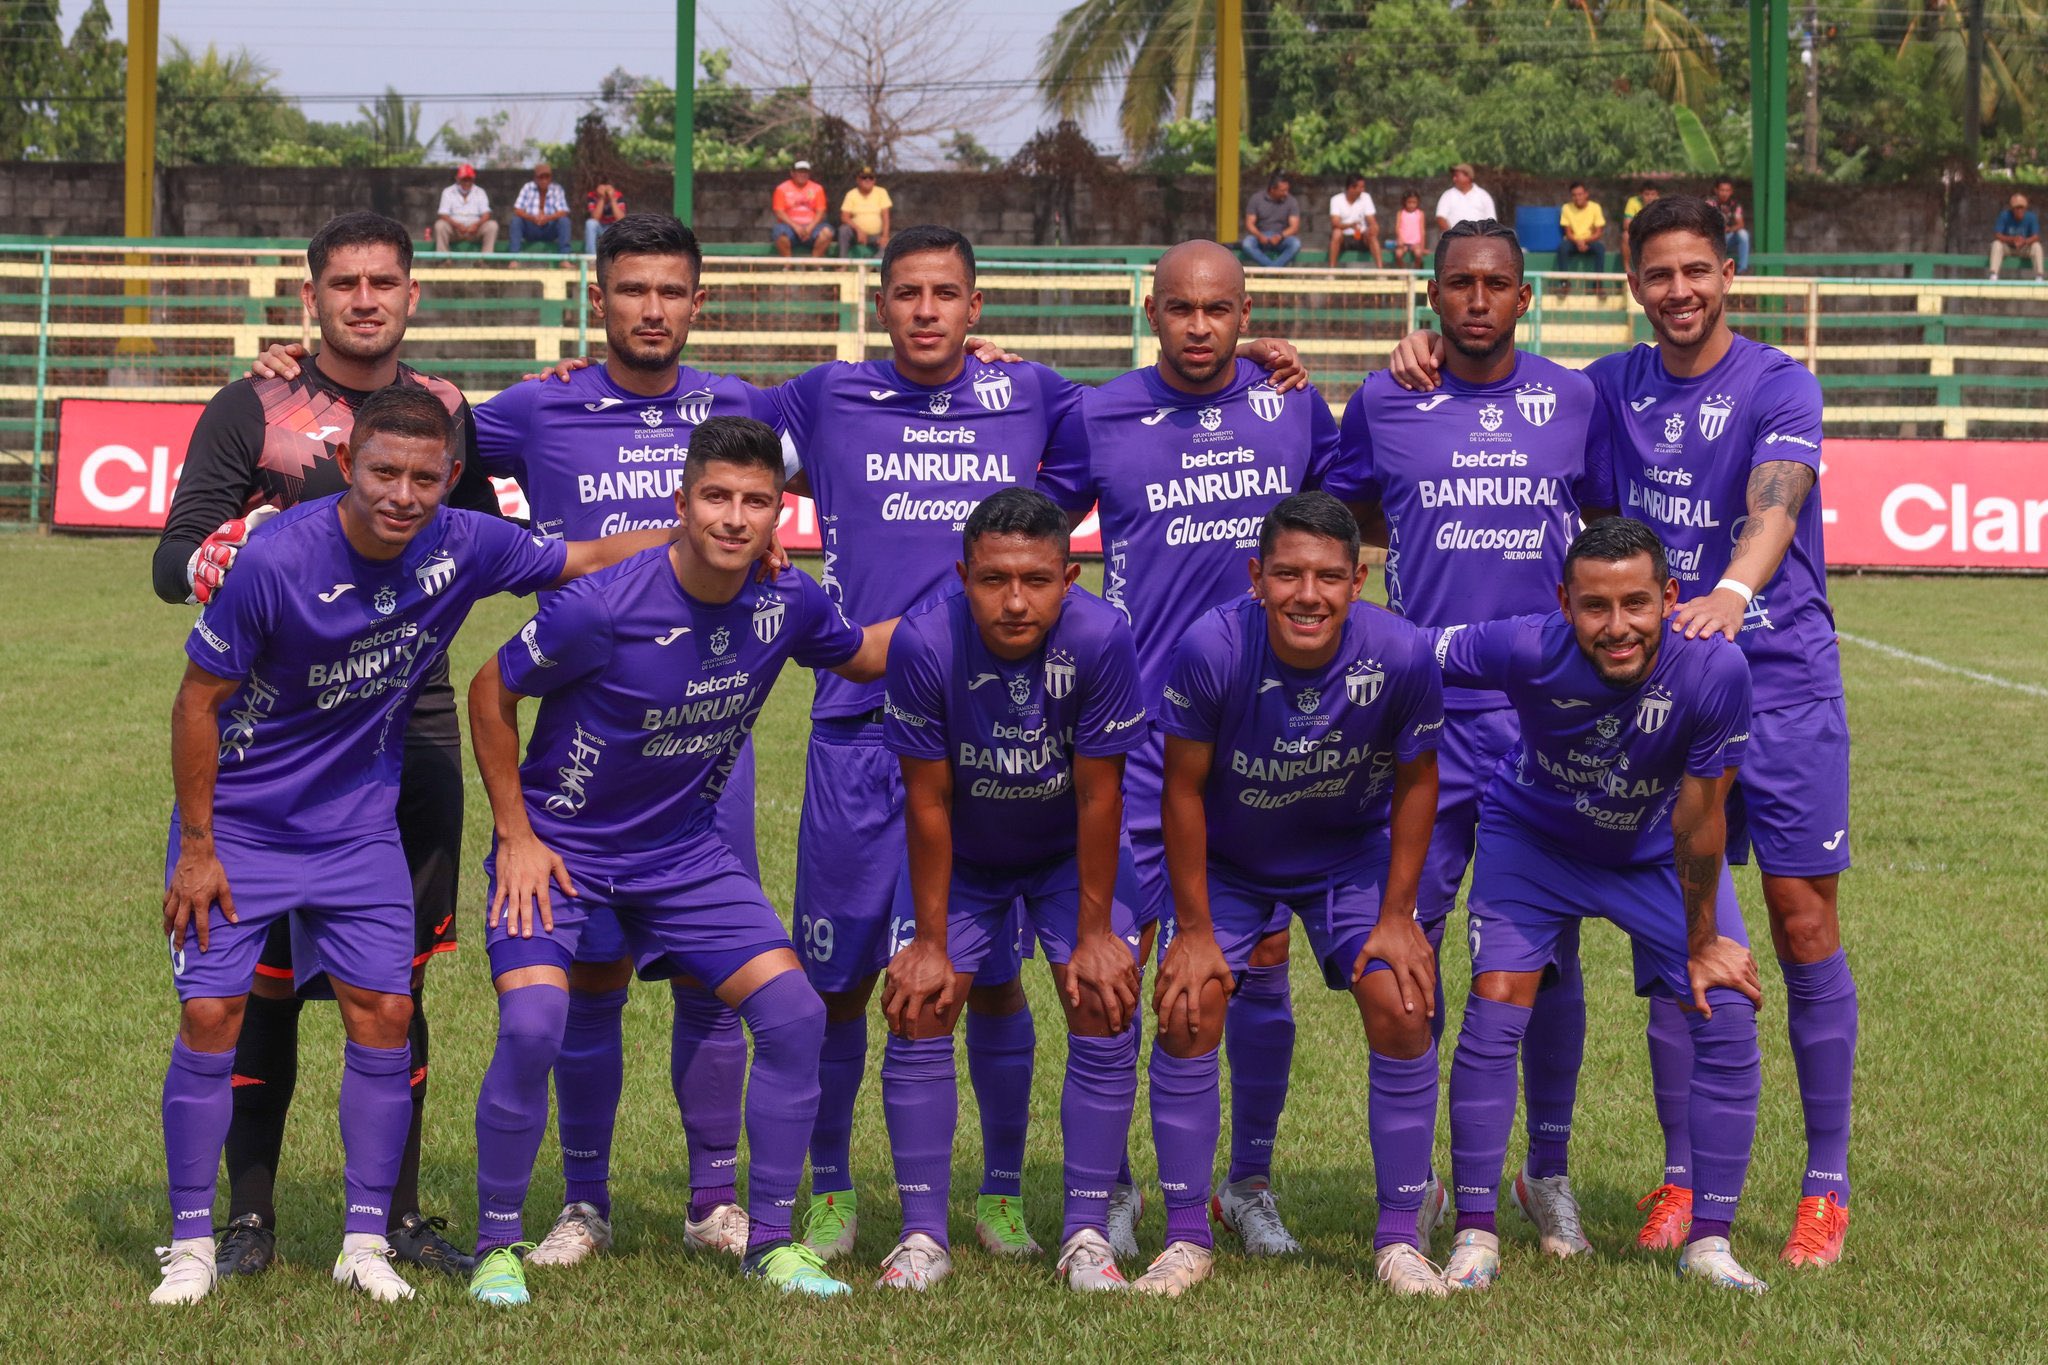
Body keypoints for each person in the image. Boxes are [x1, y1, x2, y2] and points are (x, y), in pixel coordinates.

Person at [771, 225, 1305, 1264]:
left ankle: (1012, 1192)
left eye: (946, 295)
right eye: (907, 294)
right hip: (858, 725)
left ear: (977, 310)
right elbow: (700, 444)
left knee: (998, 972)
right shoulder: (823, 395)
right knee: (843, 976)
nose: (925, 311)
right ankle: (833, 1189)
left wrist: (1263, 358)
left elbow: (1177, 404)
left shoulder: (1045, 397)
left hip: (1013, 726)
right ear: (879, 305)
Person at [1388, 194, 1859, 1270]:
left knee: (1793, 923)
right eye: (1658, 275)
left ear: (1726, 273)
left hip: (1775, 677)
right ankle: (1682, 1177)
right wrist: (1419, 358)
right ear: (1631, 285)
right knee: (1670, 931)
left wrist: (1733, 594)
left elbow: (1773, 499)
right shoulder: (1604, 389)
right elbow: (1507, 414)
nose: (1680, 291)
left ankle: (1822, 1186)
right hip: (1644, 695)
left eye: (1697, 271)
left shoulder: (1778, 381)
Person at [150, 384, 666, 1306]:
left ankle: (363, 1240)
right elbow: (198, 700)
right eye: (383, 471)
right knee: (210, 1018)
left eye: (425, 477)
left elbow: (576, 558)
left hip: (357, 828)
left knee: (384, 1014)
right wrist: (197, 846)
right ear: (347, 465)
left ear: (452, 478)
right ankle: (190, 1242)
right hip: (244, 827)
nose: (402, 493)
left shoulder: (465, 542)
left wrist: (699, 539)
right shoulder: (276, 557)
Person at [462, 416, 894, 1306]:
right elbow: (489, 688)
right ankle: (496, 1243)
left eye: (756, 501)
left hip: (681, 854)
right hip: (563, 852)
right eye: (716, 498)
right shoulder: (601, 607)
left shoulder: (788, 601)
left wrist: (980, 611)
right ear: (681, 504)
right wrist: (515, 832)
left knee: (793, 1015)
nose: (735, 518)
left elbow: (860, 654)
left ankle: (769, 1239)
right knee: (537, 1024)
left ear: (781, 513)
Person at [153, 211, 505, 1284]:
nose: (365, 298)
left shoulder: (446, 412)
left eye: (383, 281)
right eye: (344, 281)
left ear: (413, 296)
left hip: (412, 731)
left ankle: (386, 1224)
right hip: (279, 744)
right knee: (252, 984)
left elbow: (482, 531)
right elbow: (174, 563)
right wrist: (270, 538)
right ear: (312, 298)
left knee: (396, 986)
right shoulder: (253, 405)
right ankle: (248, 1218)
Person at [1038, 239, 1343, 1262]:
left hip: (1263, 740)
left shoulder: (1286, 402)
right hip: (1133, 732)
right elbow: (1033, 534)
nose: (1200, 327)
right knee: (1110, 969)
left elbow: (1355, 505)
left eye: (1218, 310)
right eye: (1180, 309)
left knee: (1255, 969)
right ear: (1150, 312)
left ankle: (1243, 1186)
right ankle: (1108, 1186)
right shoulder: (1097, 414)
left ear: (1245, 311)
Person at [1330, 218, 1616, 1264]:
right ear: (1430, 295)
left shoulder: (1572, 398)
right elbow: (1340, 503)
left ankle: (1546, 1170)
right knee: (1406, 935)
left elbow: (1604, 527)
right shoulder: (1384, 396)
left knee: (1547, 949)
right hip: (1420, 719)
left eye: (1497, 282)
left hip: (1542, 721)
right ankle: (1437, 1173)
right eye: (1459, 284)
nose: (1478, 299)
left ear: (1524, 294)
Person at [1435, 518, 1768, 1295]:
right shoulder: (1523, 644)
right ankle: (1476, 1231)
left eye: (1636, 603)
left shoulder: (1716, 670)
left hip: (1652, 846)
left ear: (1670, 597)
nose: (1617, 626)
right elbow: (1418, 649)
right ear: (1564, 603)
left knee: (1723, 999)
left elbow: (1700, 814)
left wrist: (1702, 939)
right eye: (1594, 606)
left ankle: (1710, 1243)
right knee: (1496, 1002)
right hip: (1534, 838)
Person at [1140, 492, 1444, 1298]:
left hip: (1346, 859)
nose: (1307, 594)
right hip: (1233, 861)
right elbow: (1181, 793)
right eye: (1287, 574)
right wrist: (1196, 927)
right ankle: (1184, 1237)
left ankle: (1400, 1240)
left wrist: (1397, 916)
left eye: (1328, 577)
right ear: (1256, 577)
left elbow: (1419, 782)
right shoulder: (1210, 648)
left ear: (1358, 581)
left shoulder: (1403, 654)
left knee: (1405, 1003)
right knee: (1189, 1001)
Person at [876, 488, 1149, 1293]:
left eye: (1036, 578)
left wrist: (1096, 934)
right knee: (919, 1004)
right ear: (964, 575)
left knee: (1104, 998)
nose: (1016, 599)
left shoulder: (1103, 636)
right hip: (965, 856)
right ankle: (923, 1234)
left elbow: (1102, 797)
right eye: (995, 579)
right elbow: (926, 802)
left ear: (1070, 575)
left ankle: (1087, 1233)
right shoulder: (925, 642)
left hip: (1069, 853)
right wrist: (928, 943)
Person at [1241, 173, 1303, 268]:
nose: (1286, 193)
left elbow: (1294, 227)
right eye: (1282, 190)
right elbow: (1249, 224)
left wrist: (1280, 236)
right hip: (1260, 237)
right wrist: (1259, 236)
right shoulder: (1256, 199)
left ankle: (1271, 270)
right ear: (1272, 189)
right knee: (1247, 243)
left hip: (1281, 238)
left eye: (1287, 190)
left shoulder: (1291, 201)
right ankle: (1274, 269)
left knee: (1295, 244)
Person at [772, 160, 831, 258]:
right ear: (792, 173)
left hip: (812, 227)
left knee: (827, 233)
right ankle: (788, 264)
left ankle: (814, 263)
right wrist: (796, 227)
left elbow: (821, 211)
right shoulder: (781, 189)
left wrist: (809, 228)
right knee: (780, 234)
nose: (803, 175)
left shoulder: (817, 188)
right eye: (799, 172)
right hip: (789, 227)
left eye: (805, 172)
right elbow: (779, 212)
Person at [433, 163, 497, 253]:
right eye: (464, 179)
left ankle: (485, 260)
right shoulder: (448, 192)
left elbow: (486, 214)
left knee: (492, 225)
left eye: (469, 179)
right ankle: (444, 260)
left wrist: (476, 225)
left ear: (473, 179)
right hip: (454, 230)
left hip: (475, 231)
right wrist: (457, 225)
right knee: (440, 225)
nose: (467, 182)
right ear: (458, 179)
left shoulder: (480, 192)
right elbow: (443, 214)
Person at [512, 162, 572, 254]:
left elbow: (564, 211)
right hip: (531, 228)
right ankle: (514, 258)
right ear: (535, 178)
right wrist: (532, 218)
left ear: (550, 178)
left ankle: (565, 258)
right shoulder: (527, 187)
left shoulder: (557, 189)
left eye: (547, 177)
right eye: (541, 177)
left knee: (564, 221)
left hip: (549, 229)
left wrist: (548, 218)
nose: (544, 180)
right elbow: (517, 210)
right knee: (516, 221)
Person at [1557, 181, 1606, 289]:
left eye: (1580, 194)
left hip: (1590, 241)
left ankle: (1597, 285)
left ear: (1586, 194)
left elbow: (1598, 233)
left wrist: (1585, 241)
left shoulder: (1595, 207)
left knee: (1600, 249)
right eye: (1574, 195)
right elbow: (1568, 233)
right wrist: (1578, 242)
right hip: (1573, 241)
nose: (1577, 197)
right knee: (1562, 248)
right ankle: (1564, 283)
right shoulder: (1566, 208)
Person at [1328, 174, 1383, 268]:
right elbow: (1335, 223)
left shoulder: (1366, 197)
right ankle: (1331, 271)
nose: (1363, 190)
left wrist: (1374, 227)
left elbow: (1371, 219)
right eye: (1360, 187)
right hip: (1344, 237)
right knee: (1336, 233)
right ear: (1351, 188)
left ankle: (1380, 271)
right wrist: (1350, 225)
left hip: (1361, 236)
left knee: (1372, 234)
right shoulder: (1336, 199)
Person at [838, 166, 893, 257]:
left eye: (871, 178)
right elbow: (844, 217)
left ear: (874, 180)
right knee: (843, 230)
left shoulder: (881, 192)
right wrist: (859, 230)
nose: (868, 180)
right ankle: (842, 262)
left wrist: (885, 236)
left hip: (875, 235)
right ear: (858, 180)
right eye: (864, 177)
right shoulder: (851, 194)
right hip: (855, 234)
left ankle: (872, 266)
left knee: (889, 245)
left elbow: (885, 216)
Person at [1990, 192, 2044, 281]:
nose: (2019, 210)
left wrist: (2024, 241)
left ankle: (2039, 276)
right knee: (1996, 244)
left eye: (2022, 208)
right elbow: (1997, 235)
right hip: (2008, 247)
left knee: (2037, 246)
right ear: (2012, 209)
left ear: (2025, 208)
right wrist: (2012, 239)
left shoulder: (2031, 217)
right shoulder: (2005, 216)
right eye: (2017, 208)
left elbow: (2036, 236)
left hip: (2024, 248)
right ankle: (1993, 274)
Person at [1435, 164, 1497, 233]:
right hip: (1454, 240)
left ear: (1468, 177)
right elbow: (1440, 218)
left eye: (1457, 176)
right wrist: (1452, 235)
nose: (1454, 179)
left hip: (1479, 240)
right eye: (1453, 176)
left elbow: (1491, 221)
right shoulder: (1447, 195)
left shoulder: (1483, 196)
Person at [1620, 183, 1660, 274]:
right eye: (1647, 194)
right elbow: (1626, 225)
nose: (1650, 197)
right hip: (1638, 232)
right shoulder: (1633, 201)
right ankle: (1627, 270)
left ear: (1657, 195)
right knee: (1625, 235)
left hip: (1652, 234)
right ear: (1641, 194)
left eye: (1653, 194)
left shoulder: (1660, 203)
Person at [1712, 179, 1750, 273]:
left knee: (1743, 234)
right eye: (1722, 190)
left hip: (1728, 238)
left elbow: (1740, 224)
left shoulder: (1735, 205)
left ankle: (1742, 269)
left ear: (1731, 191)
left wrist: (1729, 229)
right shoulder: (1710, 204)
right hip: (1714, 239)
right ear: (1716, 190)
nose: (1724, 193)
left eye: (1727, 190)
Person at [585, 180, 628, 256]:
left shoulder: (618, 195)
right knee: (590, 223)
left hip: (612, 228)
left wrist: (612, 199)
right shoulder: (592, 196)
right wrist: (601, 199)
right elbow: (595, 217)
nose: (605, 191)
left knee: (622, 224)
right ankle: (591, 258)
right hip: (600, 228)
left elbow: (621, 218)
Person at [1395, 191, 1427, 269]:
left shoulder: (1420, 213)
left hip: (1416, 244)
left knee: (1418, 254)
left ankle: (1415, 273)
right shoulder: (1401, 213)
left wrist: (1422, 247)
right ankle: (1404, 272)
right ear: (1404, 202)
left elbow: (1422, 230)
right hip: (1403, 244)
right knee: (1398, 254)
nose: (1411, 205)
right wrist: (1400, 239)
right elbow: (1397, 228)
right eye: (1409, 202)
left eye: (1414, 202)